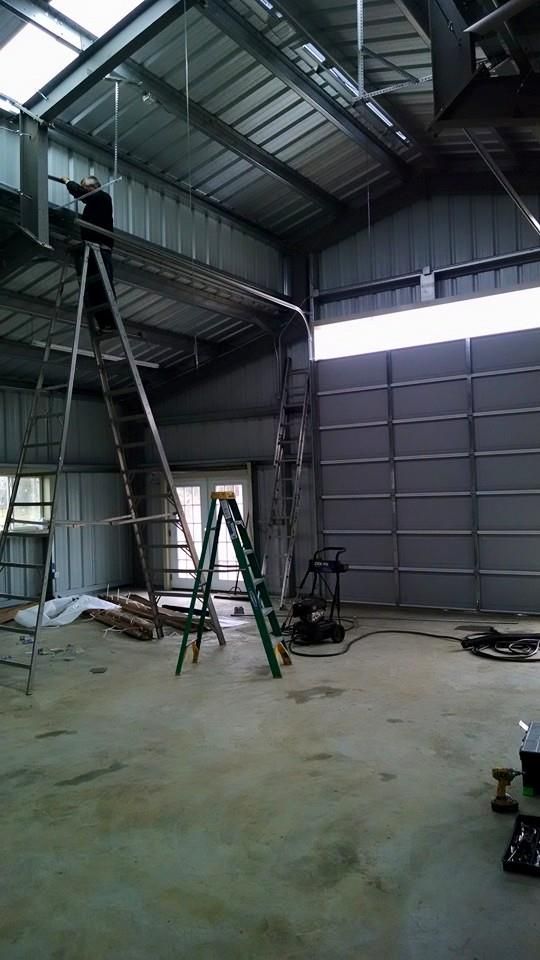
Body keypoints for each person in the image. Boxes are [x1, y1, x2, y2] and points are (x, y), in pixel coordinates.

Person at [62, 175, 116, 333]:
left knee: (102, 288)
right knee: (93, 289)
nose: (84, 190)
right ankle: (103, 323)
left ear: (95, 187)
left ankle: (110, 322)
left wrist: (68, 182)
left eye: (86, 187)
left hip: (100, 249)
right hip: (92, 249)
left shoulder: (102, 197)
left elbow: (81, 193)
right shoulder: (94, 204)